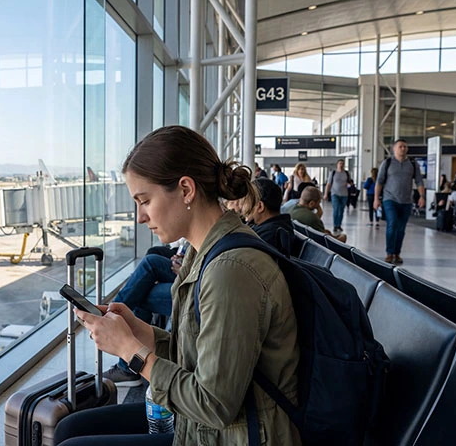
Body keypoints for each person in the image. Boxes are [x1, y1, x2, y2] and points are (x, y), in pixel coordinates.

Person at [57, 125, 300, 446]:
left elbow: (214, 405)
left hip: (236, 434)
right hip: (209, 426)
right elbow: (200, 357)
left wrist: (131, 352)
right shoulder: (208, 250)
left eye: (144, 200)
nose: (140, 217)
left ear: (186, 189)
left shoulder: (231, 270)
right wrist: (140, 333)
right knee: (69, 429)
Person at [102, 245, 186, 387]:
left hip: (195, 282)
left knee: (141, 292)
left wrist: (186, 268)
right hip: (189, 269)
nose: (141, 221)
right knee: (151, 259)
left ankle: (110, 316)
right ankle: (111, 314)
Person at [374, 139, 426, 265]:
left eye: (405, 146)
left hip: (406, 201)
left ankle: (397, 253)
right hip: (390, 199)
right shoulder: (387, 163)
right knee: (392, 224)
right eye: (400, 146)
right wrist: (376, 198)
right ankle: (389, 252)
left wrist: (422, 196)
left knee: (401, 229)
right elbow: (379, 181)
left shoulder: (412, 164)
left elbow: (419, 181)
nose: (403, 148)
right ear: (394, 149)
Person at [234, 178, 295, 257]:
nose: (242, 208)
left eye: (245, 203)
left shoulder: (268, 236)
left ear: (260, 207)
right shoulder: (278, 227)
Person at [323, 159, 349, 235]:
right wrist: (326, 194)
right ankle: (335, 225)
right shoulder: (333, 173)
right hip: (335, 193)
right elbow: (329, 184)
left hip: (344, 194)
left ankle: (339, 225)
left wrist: (348, 184)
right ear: (337, 164)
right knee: (336, 209)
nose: (341, 165)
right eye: (340, 163)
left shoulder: (346, 173)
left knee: (341, 210)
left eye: (342, 163)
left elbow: (350, 182)